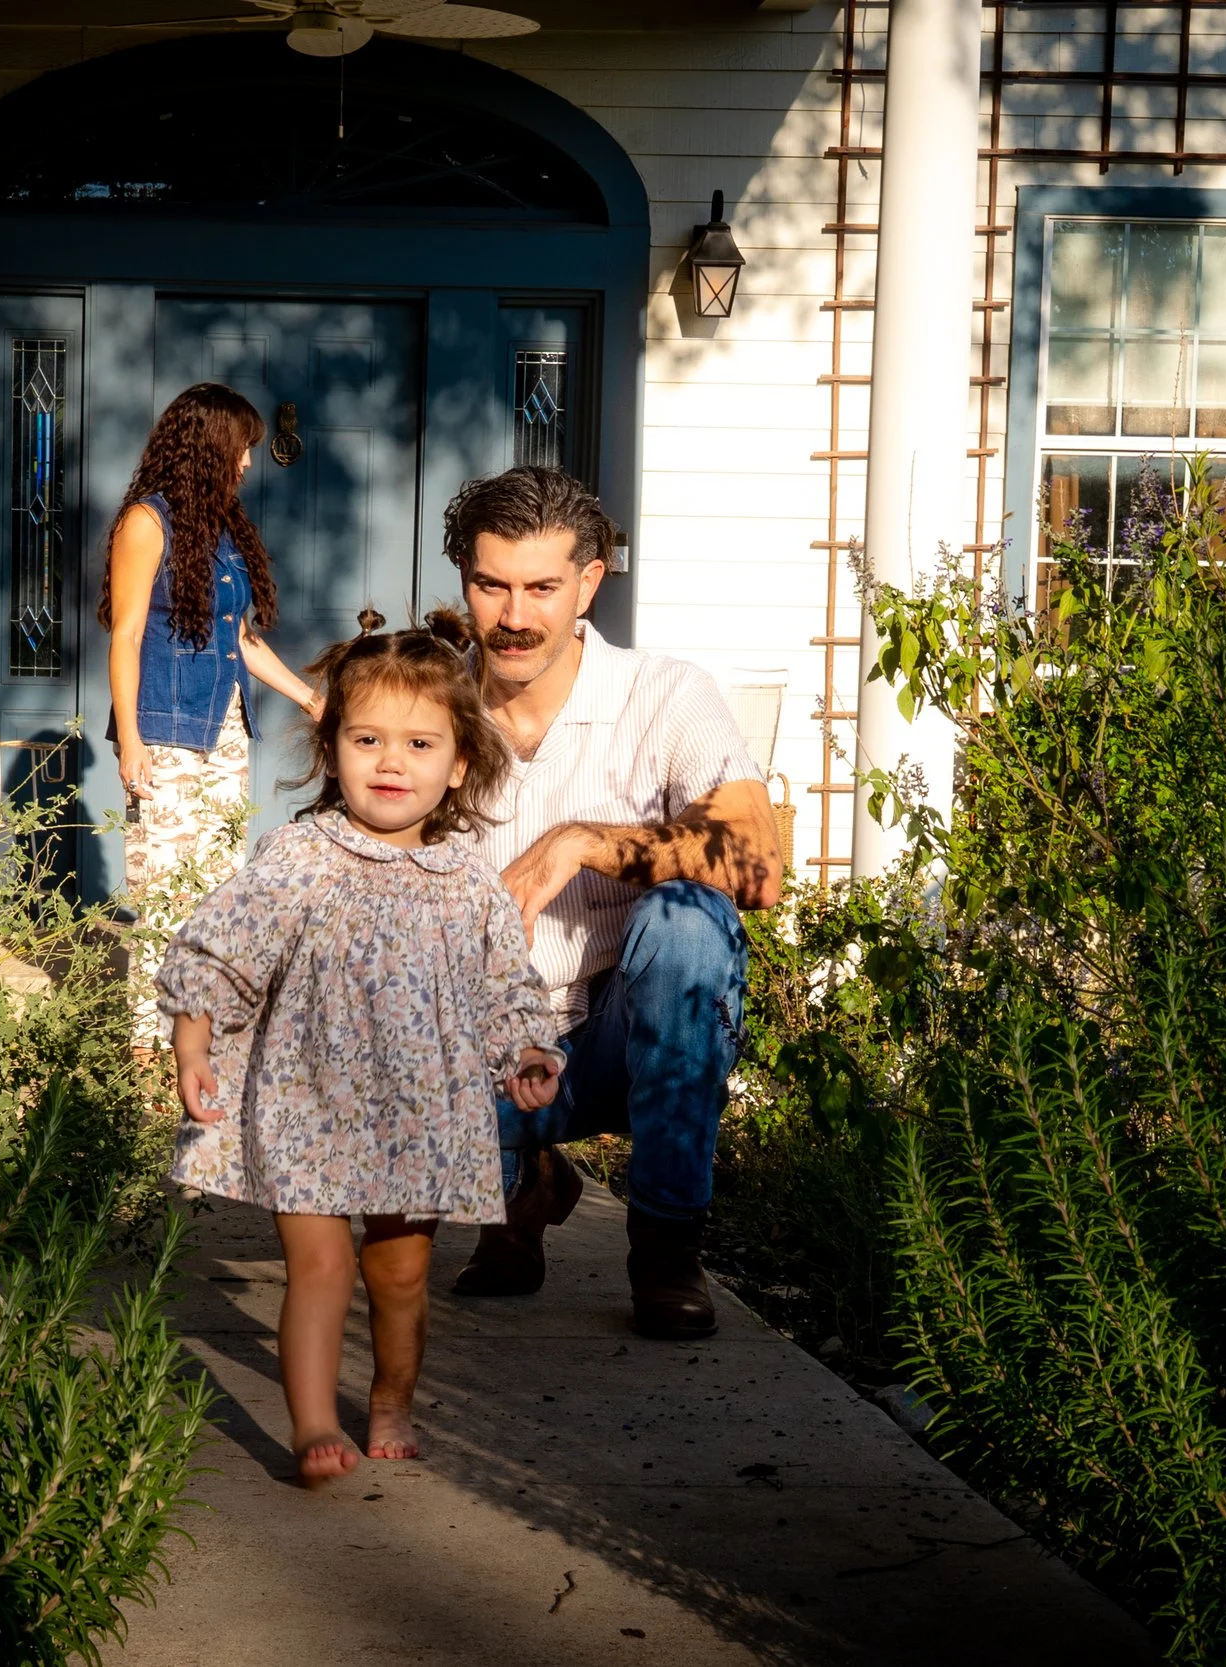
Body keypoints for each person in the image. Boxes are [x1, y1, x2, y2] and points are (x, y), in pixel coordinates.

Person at [158, 615, 566, 1482]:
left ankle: (390, 1398)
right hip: (306, 1104)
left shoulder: (469, 883)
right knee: (320, 1263)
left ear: (458, 763)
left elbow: (506, 988)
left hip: (417, 1117)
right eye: (367, 738)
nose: (390, 761)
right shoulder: (302, 857)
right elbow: (222, 947)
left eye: (419, 743)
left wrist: (527, 1050)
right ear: (333, 746)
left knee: (400, 1275)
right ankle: (311, 1425)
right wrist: (192, 1042)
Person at [443, 466, 783, 1340]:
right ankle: (520, 1188)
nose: (515, 616)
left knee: (688, 923)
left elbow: (757, 862)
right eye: (492, 585)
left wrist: (585, 842)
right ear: (465, 581)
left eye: (542, 587)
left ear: (589, 582)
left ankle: (667, 1245)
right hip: (482, 1042)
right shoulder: (428, 703)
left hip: (624, 1040)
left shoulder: (663, 694)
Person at [102, 383, 321, 1046]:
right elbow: (127, 635)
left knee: (216, 892)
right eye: (242, 448)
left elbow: (241, 638)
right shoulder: (148, 522)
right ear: (207, 445)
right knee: (166, 893)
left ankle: (199, 1037)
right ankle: (148, 1051)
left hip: (225, 729)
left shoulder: (222, 527)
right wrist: (130, 741)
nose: (249, 462)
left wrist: (312, 697)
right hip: (165, 731)